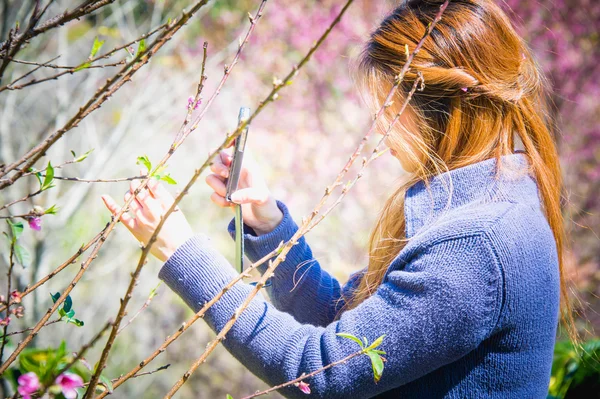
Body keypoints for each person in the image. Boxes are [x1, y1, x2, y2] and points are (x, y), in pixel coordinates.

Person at [101, 0, 576, 397]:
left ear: (448, 105)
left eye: (390, 110)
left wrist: (180, 252)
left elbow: (318, 370)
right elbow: (343, 324)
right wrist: (268, 227)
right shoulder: (498, 196)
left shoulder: (474, 245)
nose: (381, 129)